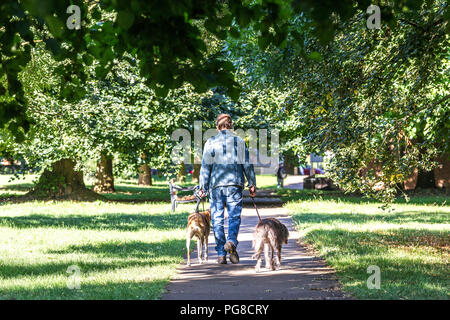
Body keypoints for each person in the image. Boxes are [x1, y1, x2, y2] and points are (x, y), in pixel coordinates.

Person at [199, 114, 256, 264]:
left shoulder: (210, 143)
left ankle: (220, 254)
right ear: (231, 126)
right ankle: (231, 242)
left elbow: (205, 166)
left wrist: (202, 187)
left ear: (217, 126)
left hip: (216, 186)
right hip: (234, 184)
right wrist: (252, 183)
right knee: (234, 217)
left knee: (217, 219)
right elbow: (247, 165)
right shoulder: (240, 142)